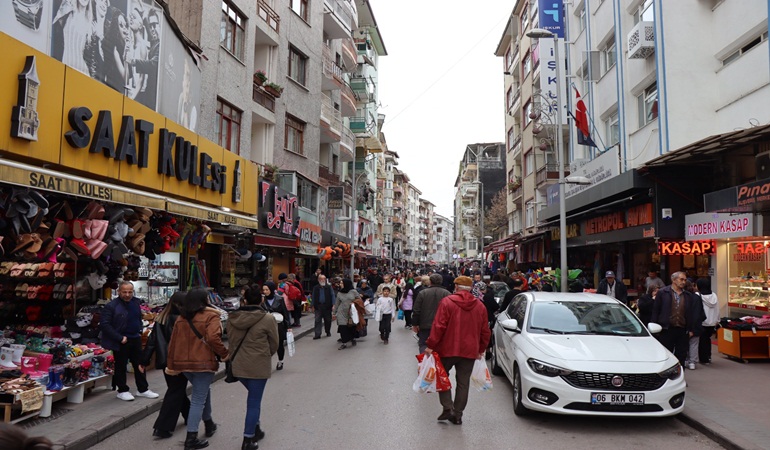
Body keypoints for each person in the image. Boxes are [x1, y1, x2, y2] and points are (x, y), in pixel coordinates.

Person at [167, 288, 229, 450]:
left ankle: (209, 423)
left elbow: (172, 343)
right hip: (202, 363)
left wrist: (172, 364)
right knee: (198, 399)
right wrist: (224, 354)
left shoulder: (181, 318)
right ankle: (191, 437)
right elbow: (213, 338)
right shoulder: (211, 316)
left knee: (203, 391)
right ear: (204, 300)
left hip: (184, 364)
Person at [425, 276, 491, 425]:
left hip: (447, 348)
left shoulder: (447, 302)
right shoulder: (480, 306)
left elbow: (438, 326)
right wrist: (481, 348)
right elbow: (485, 330)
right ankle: (458, 414)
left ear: (456, 287)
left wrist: (431, 344)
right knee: (463, 382)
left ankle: (448, 407)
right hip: (469, 350)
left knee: (443, 378)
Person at [227, 285, 279, 450]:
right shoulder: (268, 318)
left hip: (238, 365)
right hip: (258, 366)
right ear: (261, 299)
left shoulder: (232, 318)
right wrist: (265, 355)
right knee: (254, 402)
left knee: (253, 397)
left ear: (245, 300)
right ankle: (248, 439)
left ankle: (255, 428)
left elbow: (230, 339)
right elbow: (274, 343)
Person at [142, 291, 190, 439]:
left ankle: (190, 414)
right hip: (179, 361)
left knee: (176, 389)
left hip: (165, 361)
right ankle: (163, 427)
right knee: (175, 391)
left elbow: (152, 341)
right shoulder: (183, 320)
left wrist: (144, 360)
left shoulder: (161, 318)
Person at [100, 281, 159, 401]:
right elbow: (105, 325)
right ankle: (122, 390)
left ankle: (143, 389)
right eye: (124, 292)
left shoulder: (135, 302)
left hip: (135, 338)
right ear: (119, 292)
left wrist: (139, 331)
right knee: (121, 365)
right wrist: (119, 337)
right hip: (122, 340)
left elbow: (137, 318)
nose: (127, 294)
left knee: (140, 364)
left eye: (130, 292)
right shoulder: (111, 306)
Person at [651, 272, 704, 368]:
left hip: (682, 330)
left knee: (681, 355)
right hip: (667, 329)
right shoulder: (663, 293)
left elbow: (691, 314)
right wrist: (655, 327)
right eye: (681, 279)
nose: (684, 282)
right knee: (666, 355)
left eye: (685, 280)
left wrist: (691, 329)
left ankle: (680, 376)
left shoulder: (688, 295)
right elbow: (656, 310)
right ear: (674, 280)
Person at [412, 274, 452, 353]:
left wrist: (415, 324)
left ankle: (425, 362)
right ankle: (437, 363)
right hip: (441, 325)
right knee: (440, 346)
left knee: (423, 344)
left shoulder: (422, 293)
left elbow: (416, 310)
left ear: (430, 281)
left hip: (425, 324)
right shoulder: (447, 294)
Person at [101, 6, 131, 94]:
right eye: (121, 25)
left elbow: (128, 78)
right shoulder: (114, 49)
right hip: (112, 92)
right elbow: (125, 78)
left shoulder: (123, 46)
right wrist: (126, 56)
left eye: (125, 25)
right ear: (116, 29)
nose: (125, 29)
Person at [261, 282, 289, 370]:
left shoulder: (279, 299)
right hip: (266, 326)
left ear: (271, 290)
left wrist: (288, 326)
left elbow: (285, 313)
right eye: (264, 290)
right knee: (266, 345)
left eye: (267, 290)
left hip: (278, 325)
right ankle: (266, 363)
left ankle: (280, 360)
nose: (265, 292)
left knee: (279, 344)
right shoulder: (262, 301)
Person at [332, 279, 361, 349]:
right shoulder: (339, 293)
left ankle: (352, 338)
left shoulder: (353, 292)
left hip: (351, 313)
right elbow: (337, 304)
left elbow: (359, 300)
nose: (340, 284)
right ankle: (344, 343)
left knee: (351, 326)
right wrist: (334, 313)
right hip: (341, 313)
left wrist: (354, 302)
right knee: (343, 328)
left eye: (342, 283)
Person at [696, 277, 719, 365]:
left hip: (703, 321)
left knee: (702, 340)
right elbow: (717, 309)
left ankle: (703, 358)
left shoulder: (699, 296)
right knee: (708, 339)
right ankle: (708, 356)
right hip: (712, 321)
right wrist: (717, 319)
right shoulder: (714, 295)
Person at [311, 274, 335, 339]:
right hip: (318, 306)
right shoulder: (315, 288)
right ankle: (317, 334)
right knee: (317, 320)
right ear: (318, 280)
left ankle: (327, 331)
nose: (322, 280)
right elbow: (313, 297)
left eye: (324, 279)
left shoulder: (329, 287)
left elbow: (332, 295)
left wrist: (333, 304)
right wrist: (312, 305)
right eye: (321, 279)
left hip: (327, 306)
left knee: (327, 320)